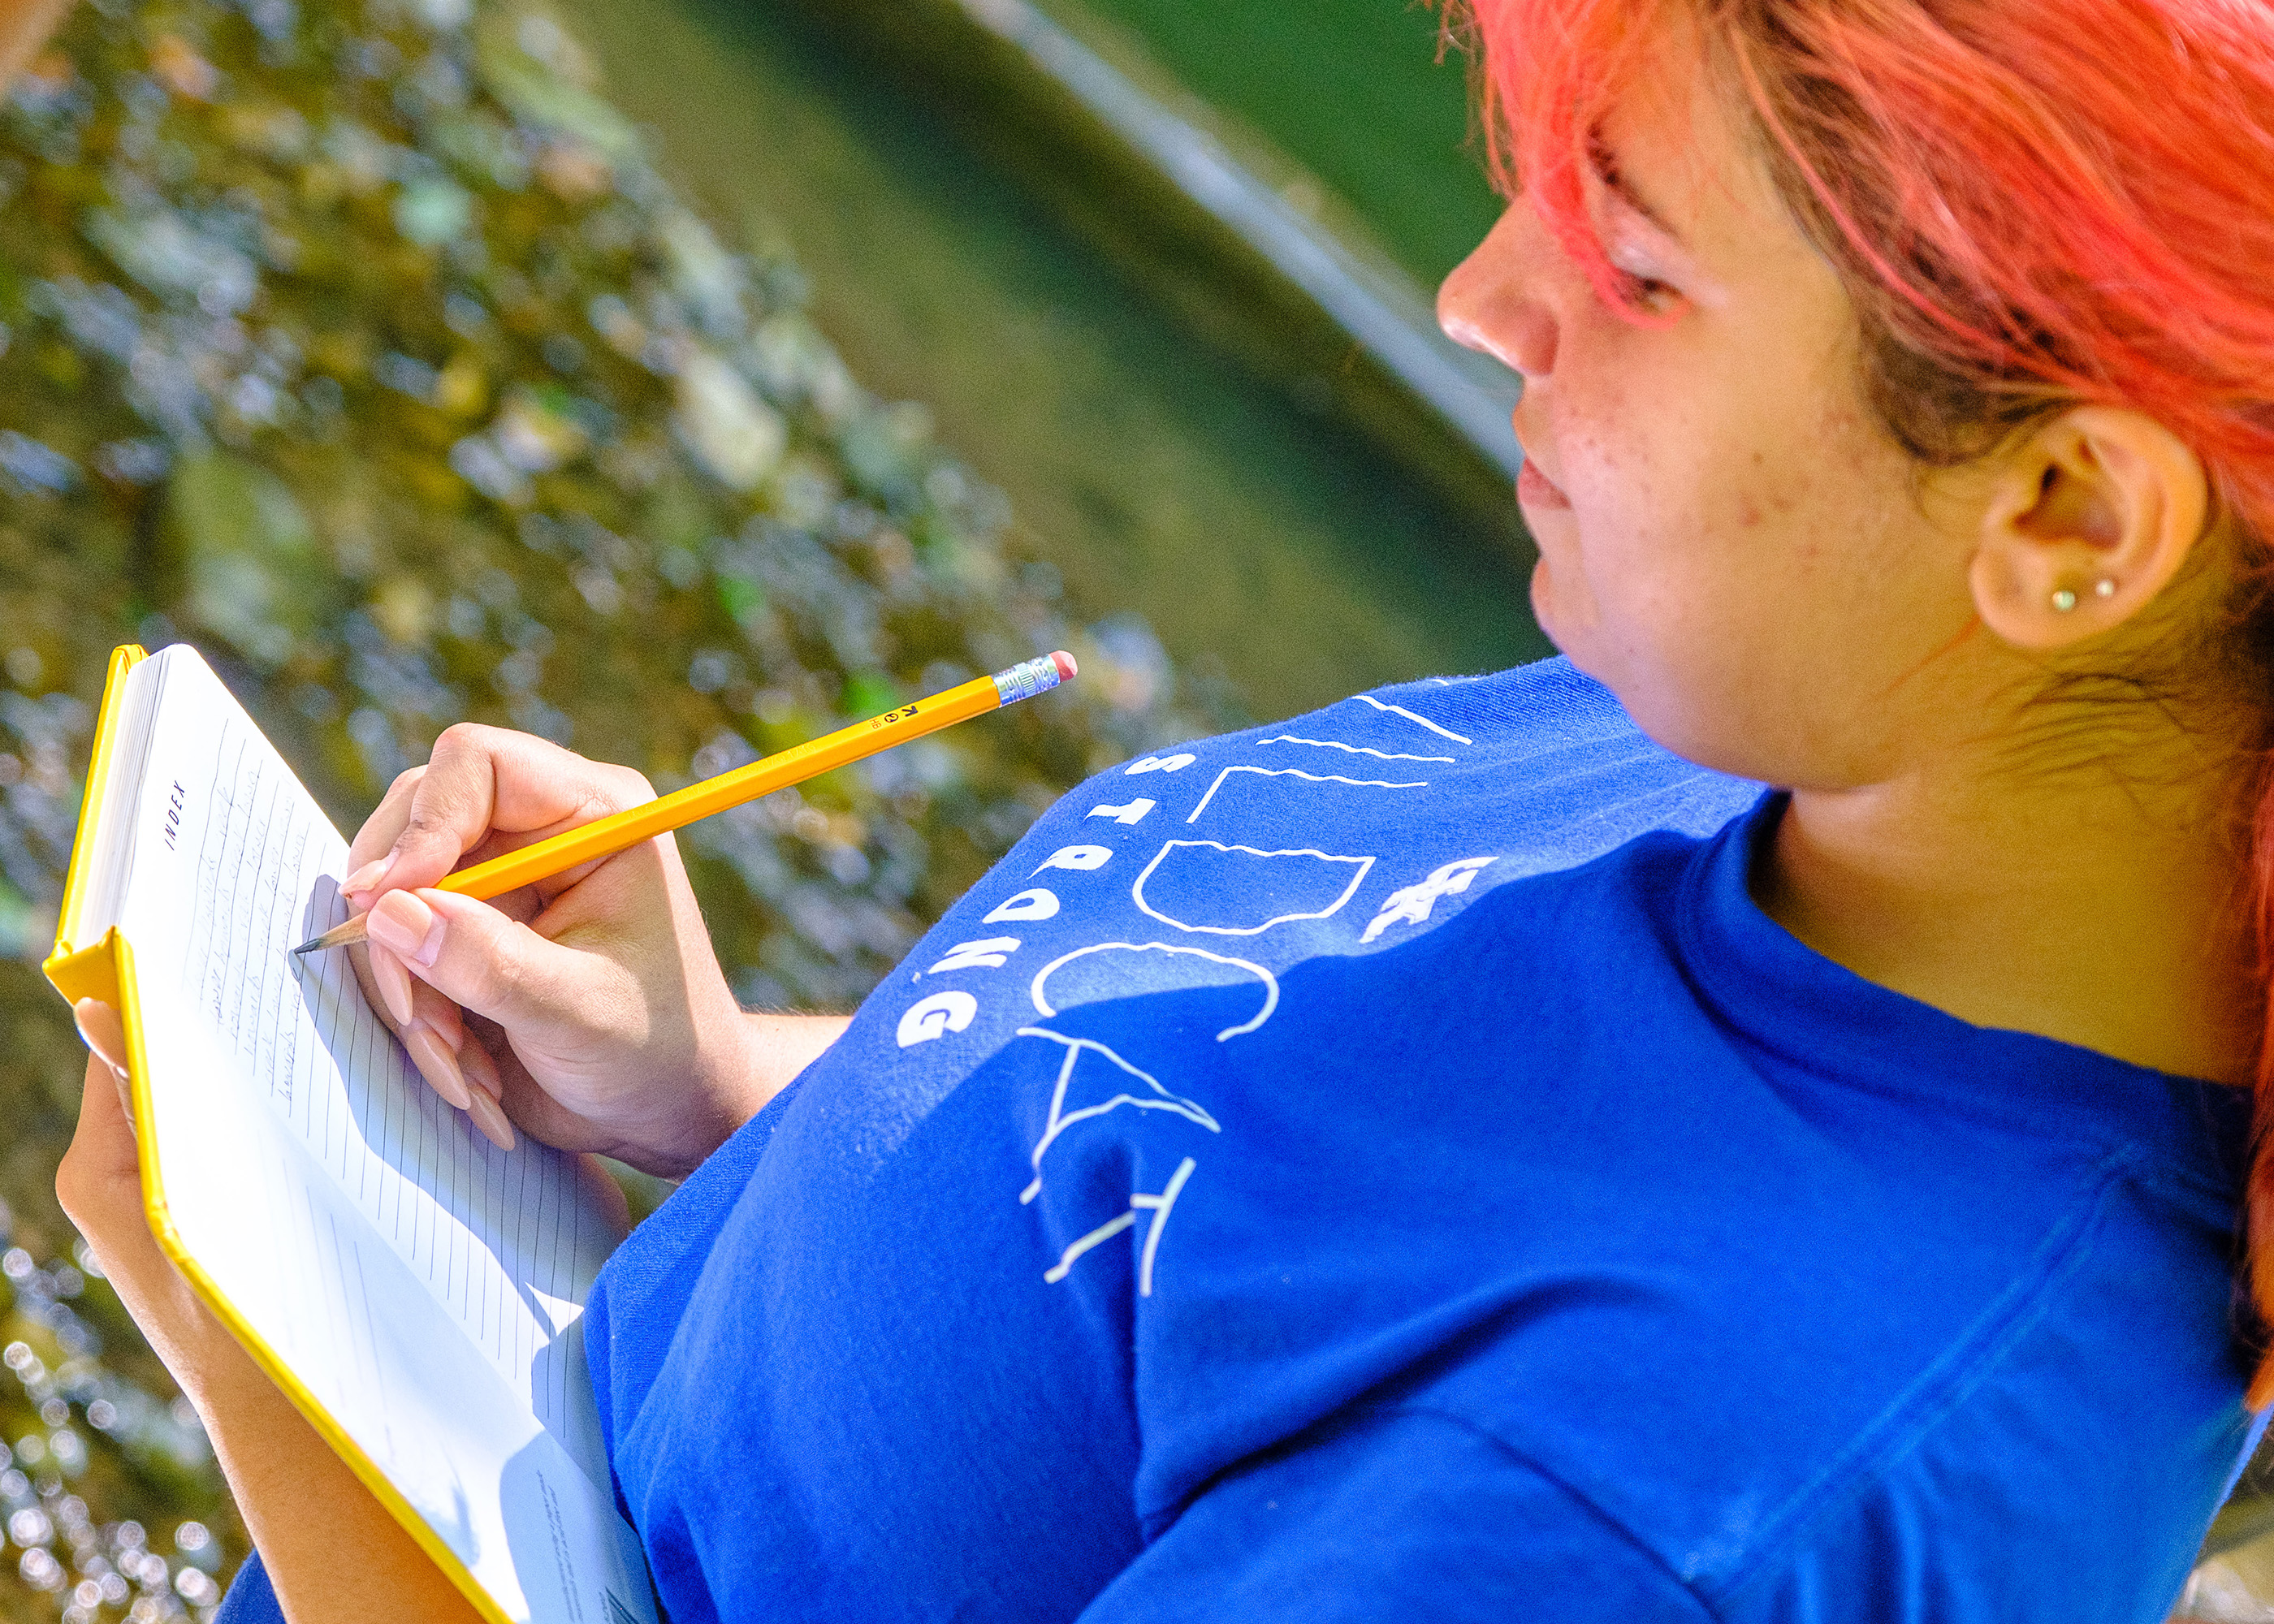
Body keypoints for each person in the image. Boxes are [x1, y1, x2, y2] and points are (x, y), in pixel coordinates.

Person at [58, 0, 2274, 1616]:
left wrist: (235, 1334)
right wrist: (703, 1075)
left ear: (2067, 511)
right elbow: (1225, 1177)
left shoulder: (1668, 1490)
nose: (1483, 300)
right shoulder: (1799, 730)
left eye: (1637, 271)